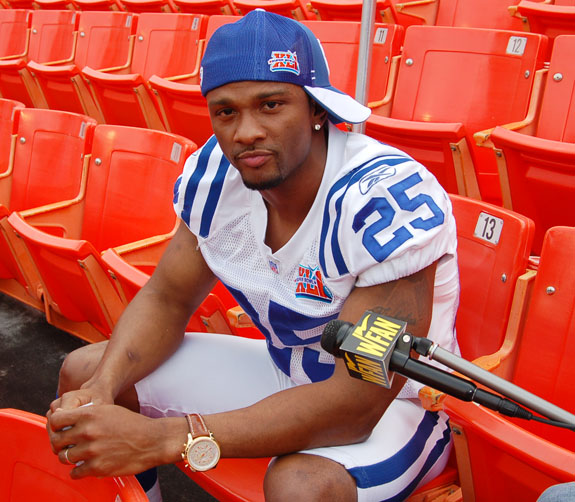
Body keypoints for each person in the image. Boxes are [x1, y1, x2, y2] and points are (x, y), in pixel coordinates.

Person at [46, 10, 460, 502]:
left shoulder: (379, 200)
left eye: (270, 105)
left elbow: (356, 402)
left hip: (400, 402)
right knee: (85, 378)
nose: (246, 132)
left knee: (299, 486)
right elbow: (168, 297)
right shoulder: (216, 174)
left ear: (317, 110)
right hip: (286, 366)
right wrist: (103, 387)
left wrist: (166, 438)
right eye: (226, 112)